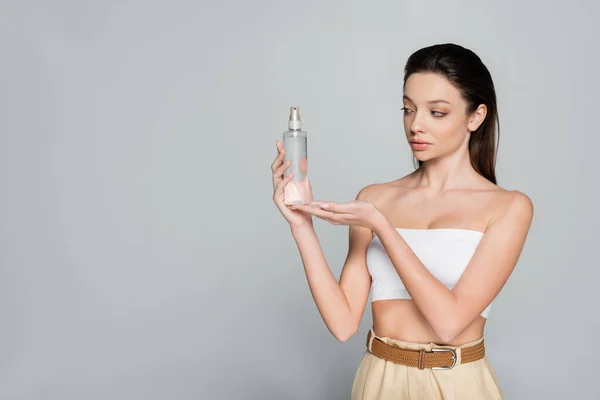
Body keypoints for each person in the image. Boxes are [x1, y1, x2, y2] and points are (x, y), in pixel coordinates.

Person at [270, 43, 533, 399]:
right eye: (408, 110)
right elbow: (343, 322)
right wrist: (300, 225)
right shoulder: (375, 198)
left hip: (457, 383)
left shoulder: (507, 207)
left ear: (476, 117)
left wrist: (383, 228)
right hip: (380, 379)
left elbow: (450, 324)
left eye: (437, 113)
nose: (416, 125)